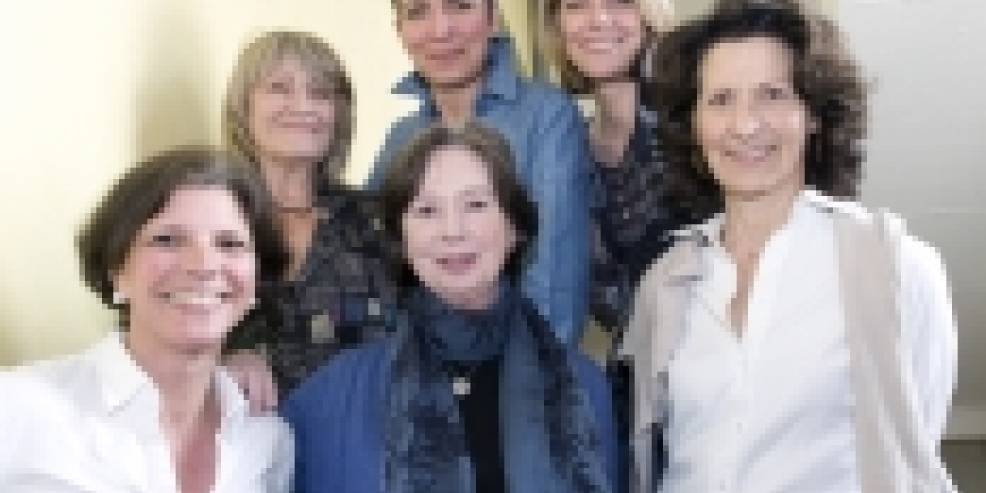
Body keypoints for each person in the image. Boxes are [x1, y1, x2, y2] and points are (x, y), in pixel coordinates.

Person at [622, 1, 959, 491]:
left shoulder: (896, 267)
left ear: (814, 114)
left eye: (773, 95)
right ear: (693, 124)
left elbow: (912, 452)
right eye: (720, 100)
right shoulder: (664, 282)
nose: (745, 124)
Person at [284, 124, 616, 493]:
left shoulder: (586, 389)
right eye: (427, 210)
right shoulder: (327, 401)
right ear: (401, 239)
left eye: (475, 205)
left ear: (515, 229)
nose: (453, 230)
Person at [0, 148, 294, 492]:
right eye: (167, 240)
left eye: (229, 244)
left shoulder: (266, 441)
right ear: (116, 271)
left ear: (257, 280)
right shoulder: (17, 406)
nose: (203, 265)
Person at [370, 0, 592, 344]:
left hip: (516, 362)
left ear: (493, 19)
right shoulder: (400, 137)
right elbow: (375, 263)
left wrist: (533, 369)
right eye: (417, 12)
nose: (441, 30)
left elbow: (555, 284)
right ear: (399, 30)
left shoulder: (546, 118)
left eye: (461, 6)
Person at [222, 31, 395, 403]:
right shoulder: (208, 218)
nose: (302, 106)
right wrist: (224, 359)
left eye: (320, 93)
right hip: (241, 434)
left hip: (363, 432)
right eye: (279, 88)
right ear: (243, 108)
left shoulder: (379, 220)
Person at [545, 0, 689, 334]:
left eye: (620, 2)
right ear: (558, 23)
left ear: (650, 14)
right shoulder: (567, 149)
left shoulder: (692, 124)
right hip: (634, 361)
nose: (598, 19)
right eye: (576, 5)